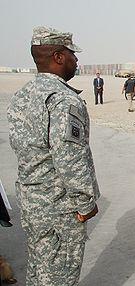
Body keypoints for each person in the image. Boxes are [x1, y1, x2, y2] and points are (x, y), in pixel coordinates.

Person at [7, 26, 100, 285]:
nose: (76, 60)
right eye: (72, 53)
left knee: (39, 270)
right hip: (59, 207)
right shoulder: (62, 100)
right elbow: (69, 158)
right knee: (59, 275)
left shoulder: (23, 95)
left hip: (32, 202)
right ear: (59, 57)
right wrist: (85, 201)